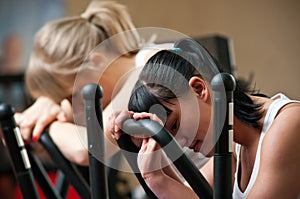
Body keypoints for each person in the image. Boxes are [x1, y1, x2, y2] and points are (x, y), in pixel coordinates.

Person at [109, 38, 300, 198]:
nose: (181, 143)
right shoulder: (232, 146)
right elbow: (192, 194)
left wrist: (157, 180)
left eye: (175, 124)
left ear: (199, 89)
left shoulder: (288, 125)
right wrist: (147, 149)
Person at [15, 0, 175, 166]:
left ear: (96, 62)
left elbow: (88, 149)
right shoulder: (138, 66)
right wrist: (48, 105)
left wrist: (48, 125)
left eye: (72, 95)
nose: (73, 109)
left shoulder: (150, 69)